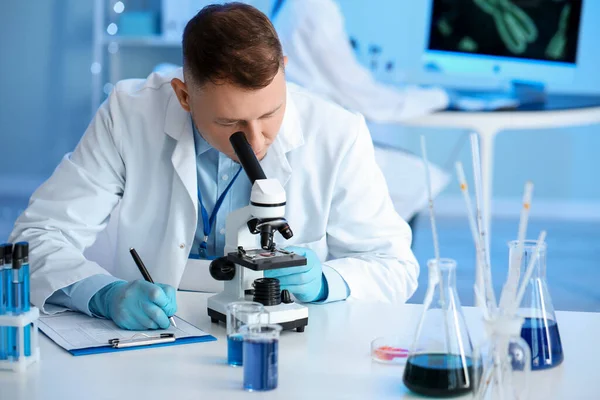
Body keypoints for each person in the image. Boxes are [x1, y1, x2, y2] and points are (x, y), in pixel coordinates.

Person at [9, 3, 418, 331]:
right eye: (231, 124)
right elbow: (37, 238)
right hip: (153, 342)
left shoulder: (337, 133)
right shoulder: (129, 115)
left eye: (271, 113)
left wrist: (327, 281)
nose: (256, 142)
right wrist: (103, 294)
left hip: (284, 347)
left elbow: (394, 265)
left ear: (285, 71)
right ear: (184, 96)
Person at [270, 0, 450, 123]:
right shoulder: (313, 9)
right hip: (317, 126)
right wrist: (439, 97)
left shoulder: (299, 6)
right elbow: (360, 95)